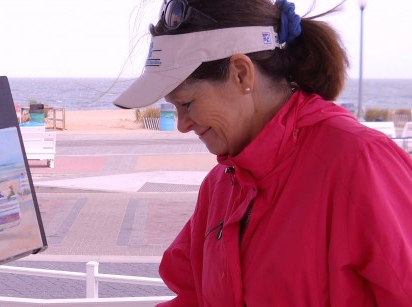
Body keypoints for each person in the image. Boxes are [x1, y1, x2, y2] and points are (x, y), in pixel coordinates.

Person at [113, 0, 412, 305]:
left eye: (187, 103)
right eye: (174, 108)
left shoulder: (359, 161)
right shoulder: (220, 185)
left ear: (241, 73)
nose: (182, 125)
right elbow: (193, 295)